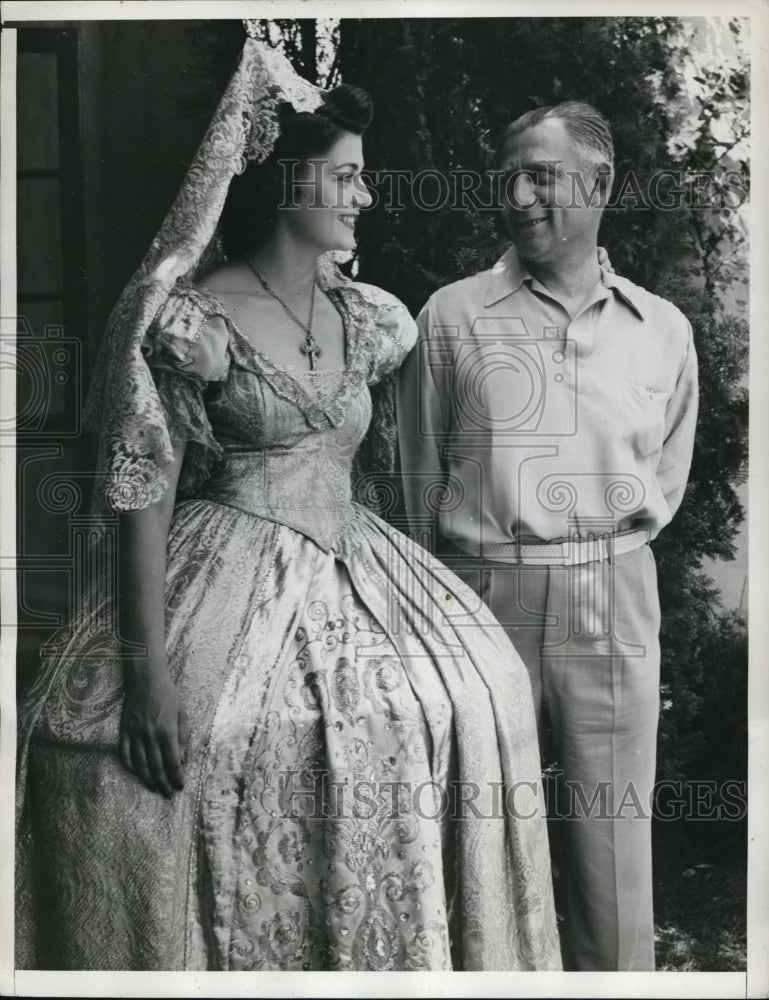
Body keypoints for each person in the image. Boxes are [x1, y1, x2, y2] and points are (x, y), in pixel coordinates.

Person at [15, 31, 561, 972]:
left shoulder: (370, 316)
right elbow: (143, 490)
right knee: (204, 745)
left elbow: (378, 472)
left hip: (357, 554)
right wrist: (147, 674)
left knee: (479, 691)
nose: (364, 195)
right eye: (347, 177)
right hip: (221, 565)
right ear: (289, 183)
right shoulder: (192, 320)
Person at [397, 101, 698, 971]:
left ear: (598, 185)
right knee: (482, 845)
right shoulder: (451, 318)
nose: (518, 196)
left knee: (611, 851)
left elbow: (664, 479)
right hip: (479, 596)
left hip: (613, 595)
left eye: (541, 174)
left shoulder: (663, 330)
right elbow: (417, 482)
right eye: (506, 179)